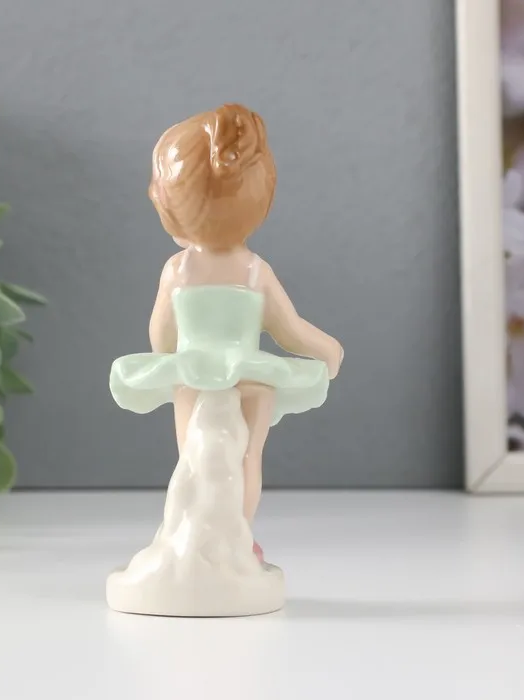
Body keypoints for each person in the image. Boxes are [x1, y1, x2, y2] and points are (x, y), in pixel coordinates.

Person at [110, 104, 343, 562]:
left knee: (193, 458)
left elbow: (161, 335)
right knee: (247, 458)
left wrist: (171, 355)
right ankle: (240, 538)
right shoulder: (255, 272)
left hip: (193, 377)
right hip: (250, 378)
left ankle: (193, 534)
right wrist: (328, 349)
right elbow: (291, 330)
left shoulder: (178, 270)